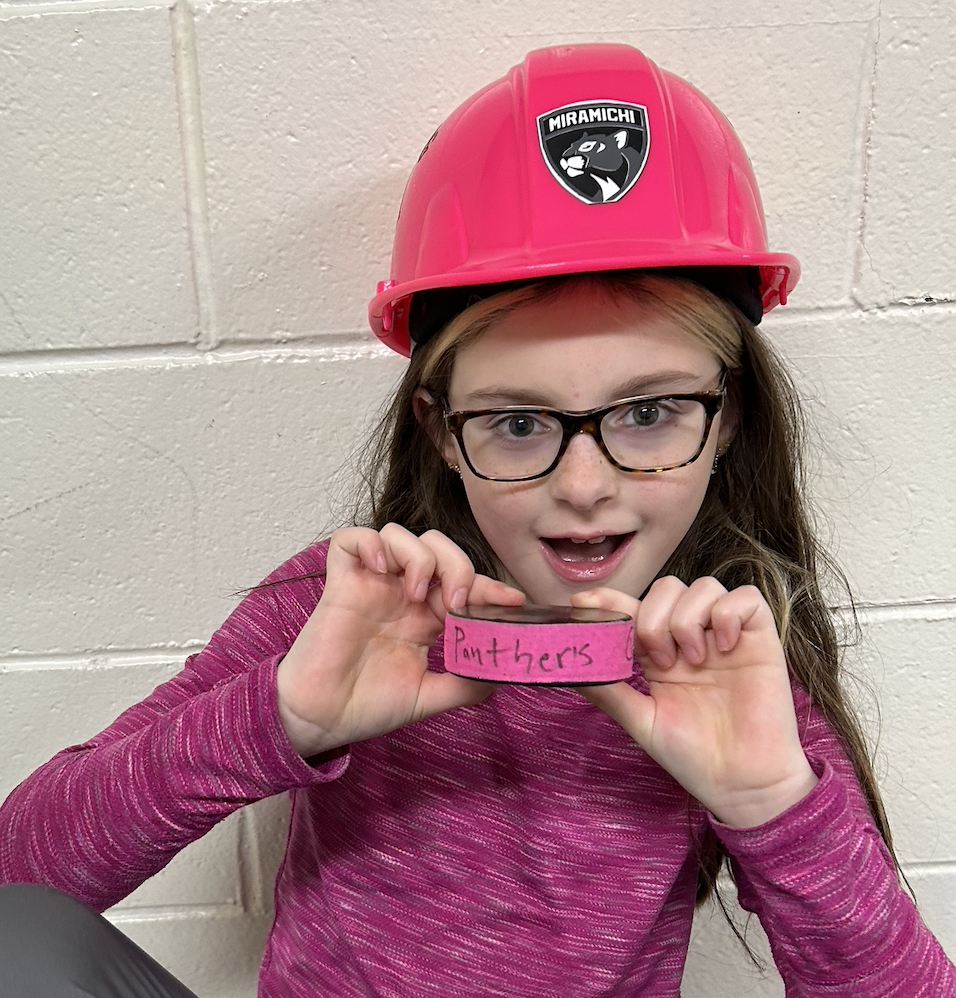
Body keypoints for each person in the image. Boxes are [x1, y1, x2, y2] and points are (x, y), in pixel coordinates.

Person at [0, 42, 953, 998]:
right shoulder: (339, 610)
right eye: (518, 422)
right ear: (442, 434)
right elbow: (18, 884)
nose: (584, 485)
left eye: (650, 411)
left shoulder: (729, 669)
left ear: (730, 419)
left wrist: (771, 803)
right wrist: (281, 716)